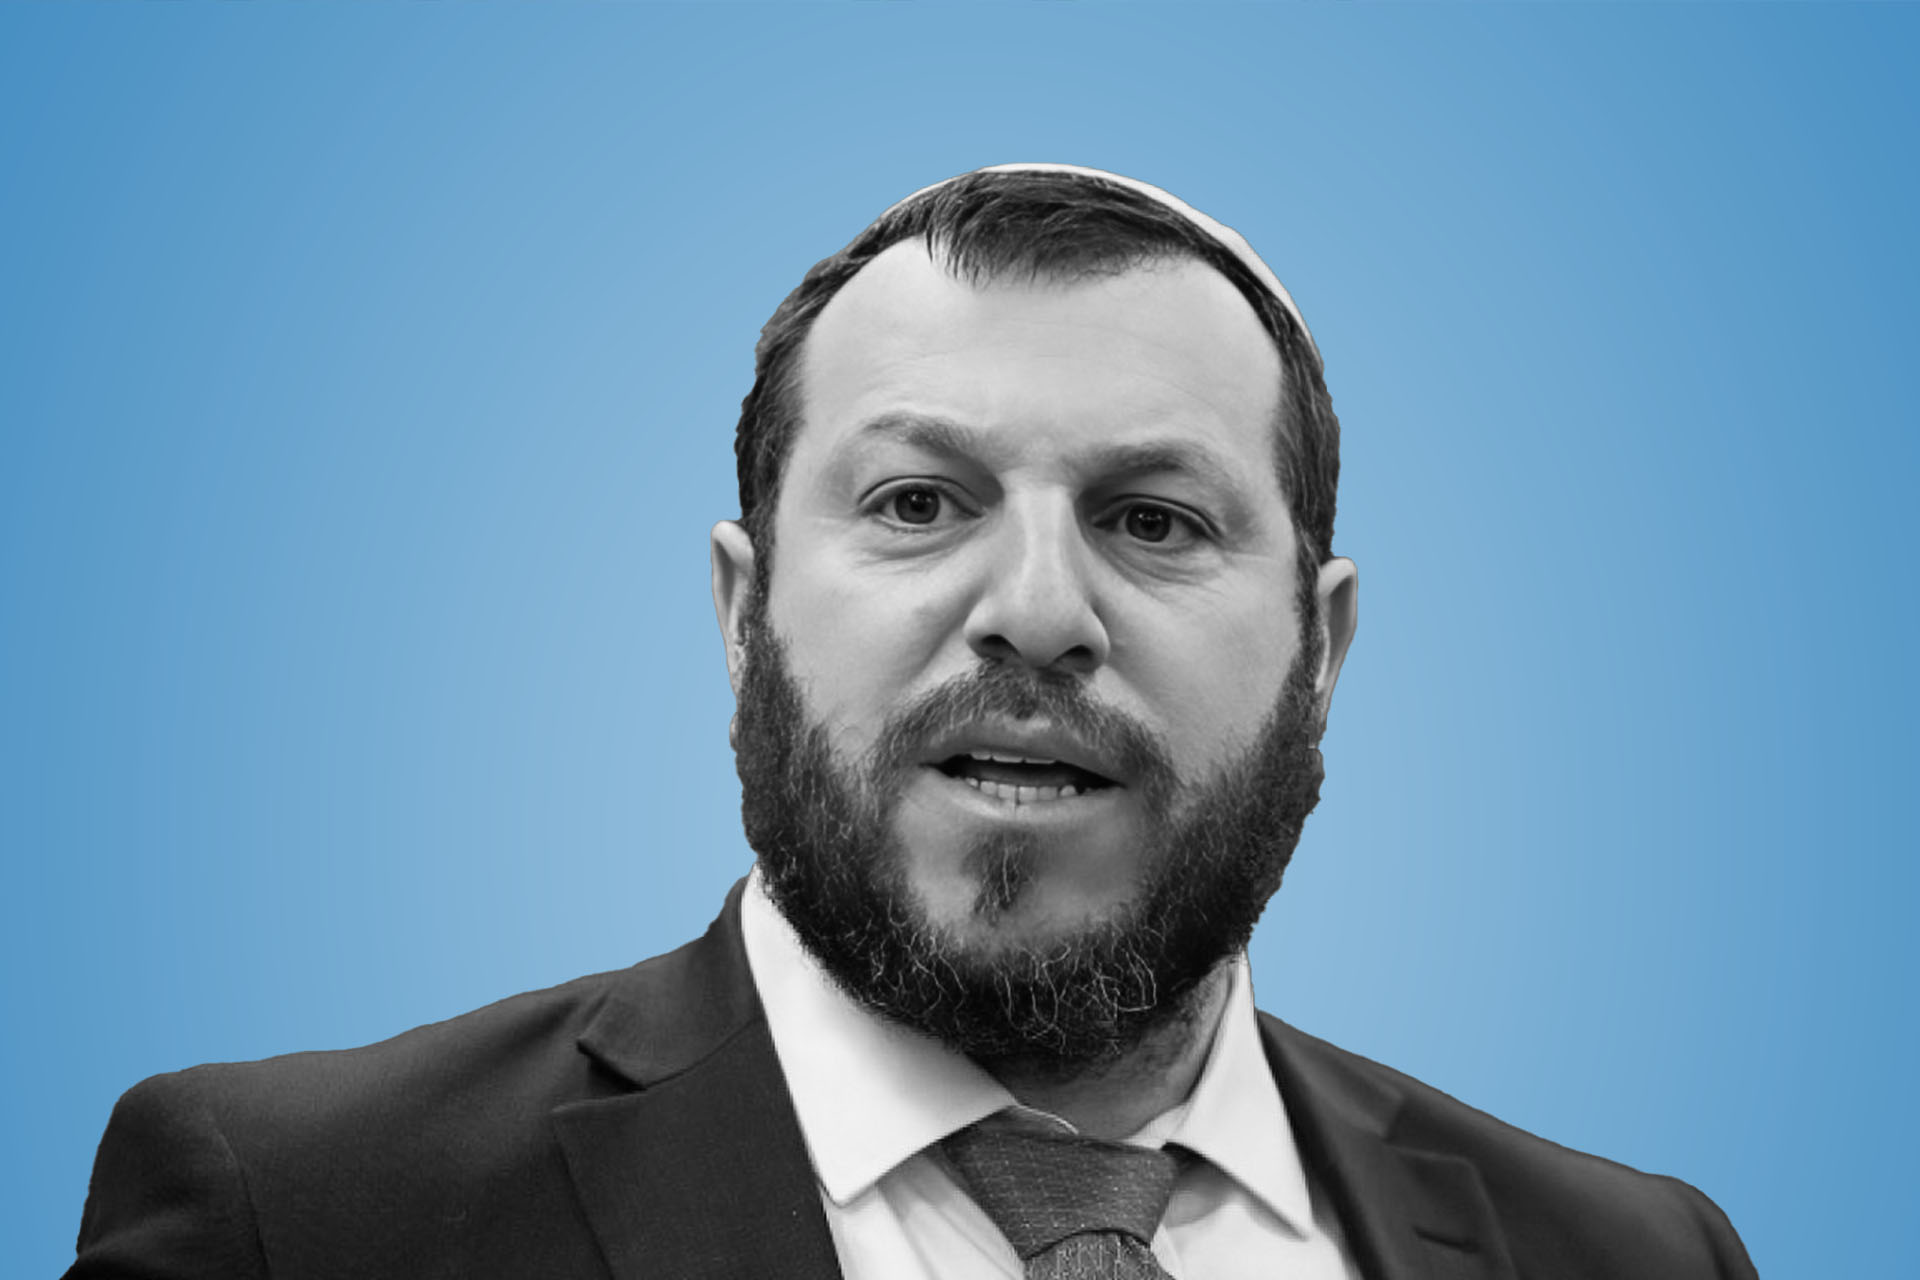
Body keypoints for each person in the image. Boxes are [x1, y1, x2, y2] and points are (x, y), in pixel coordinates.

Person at [63, 165, 1756, 1280]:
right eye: (919, 502)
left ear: (1324, 655)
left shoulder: (1634, 1257)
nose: (1037, 609)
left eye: (1154, 519)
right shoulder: (293, 1220)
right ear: (744, 615)